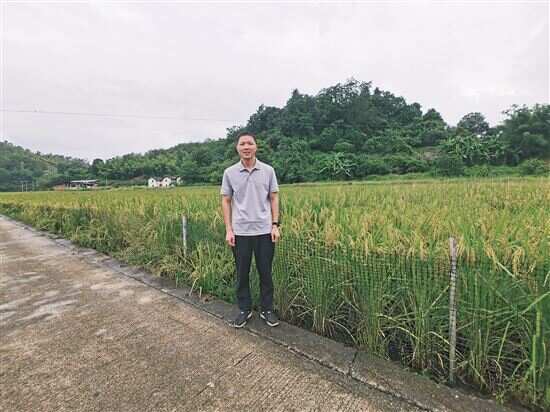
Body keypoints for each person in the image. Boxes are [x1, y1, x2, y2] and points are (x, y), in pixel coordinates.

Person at [220, 132, 281, 328]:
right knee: (242, 273)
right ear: (237, 148)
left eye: (250, 143)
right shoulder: (229, 173)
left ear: (256, 146)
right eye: (242, 144)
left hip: (265, 231)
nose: (246, 147)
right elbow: (226, 200)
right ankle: (244, 310)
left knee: (266, 273)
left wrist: (275, 225)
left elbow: (274, 198)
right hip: (240, 232)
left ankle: (267, 309)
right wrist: (229, 229)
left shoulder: (268, 171)